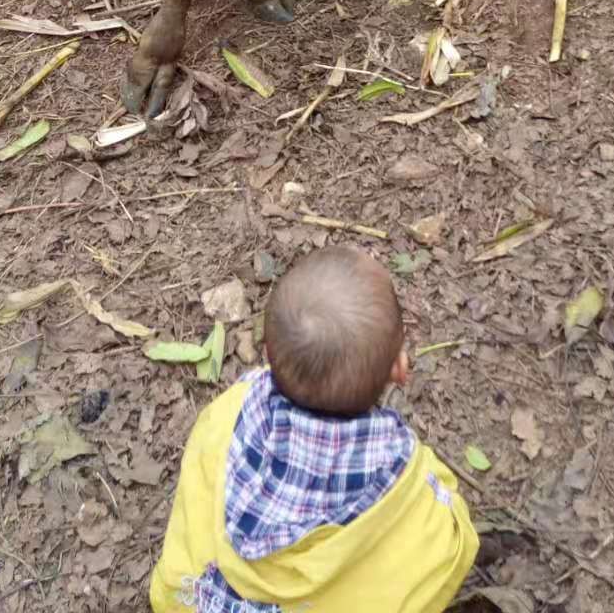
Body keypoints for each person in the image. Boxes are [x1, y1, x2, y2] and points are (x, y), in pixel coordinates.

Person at [150, 245, 479, 612]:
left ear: (269, 356)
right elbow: (452, 546)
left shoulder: (227, 414)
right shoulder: (403, 480)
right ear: (399, 369)